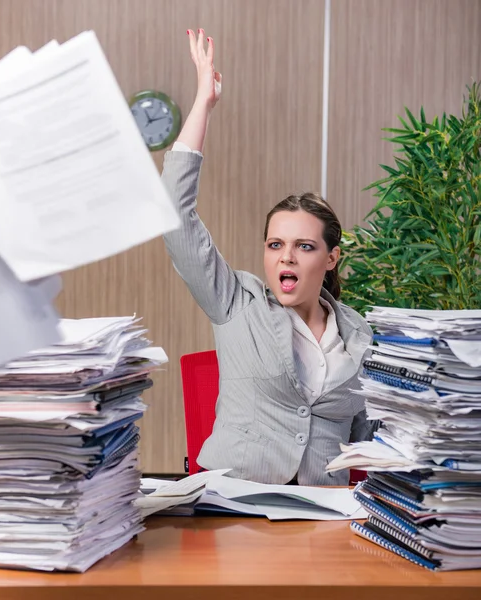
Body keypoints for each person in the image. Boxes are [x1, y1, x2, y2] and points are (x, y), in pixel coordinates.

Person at [161, 29, 376, 486]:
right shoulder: (236, 301)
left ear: (332, 258)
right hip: (237, 504)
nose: (286, 259)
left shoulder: (359, 334)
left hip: (324, 514)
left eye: (304, 246)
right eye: (275, 245)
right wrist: (203, 102)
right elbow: (175, 215)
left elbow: (371, 442)